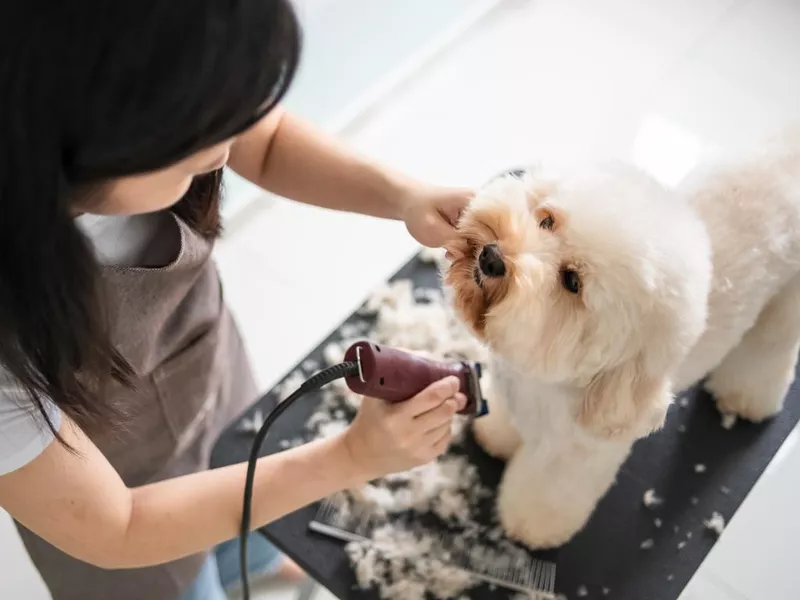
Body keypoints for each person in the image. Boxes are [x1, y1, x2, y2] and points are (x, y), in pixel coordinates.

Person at [0, 2, 471, 600]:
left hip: (208, 383)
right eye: (201, 143)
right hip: (126, 520)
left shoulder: (157, 93)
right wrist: (350, 458)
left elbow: (265, 140)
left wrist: (404, 196)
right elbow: (119, 527)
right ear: (89, 138)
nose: (226, 152)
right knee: (191, 579)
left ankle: (244, 556)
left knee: (250, 496)